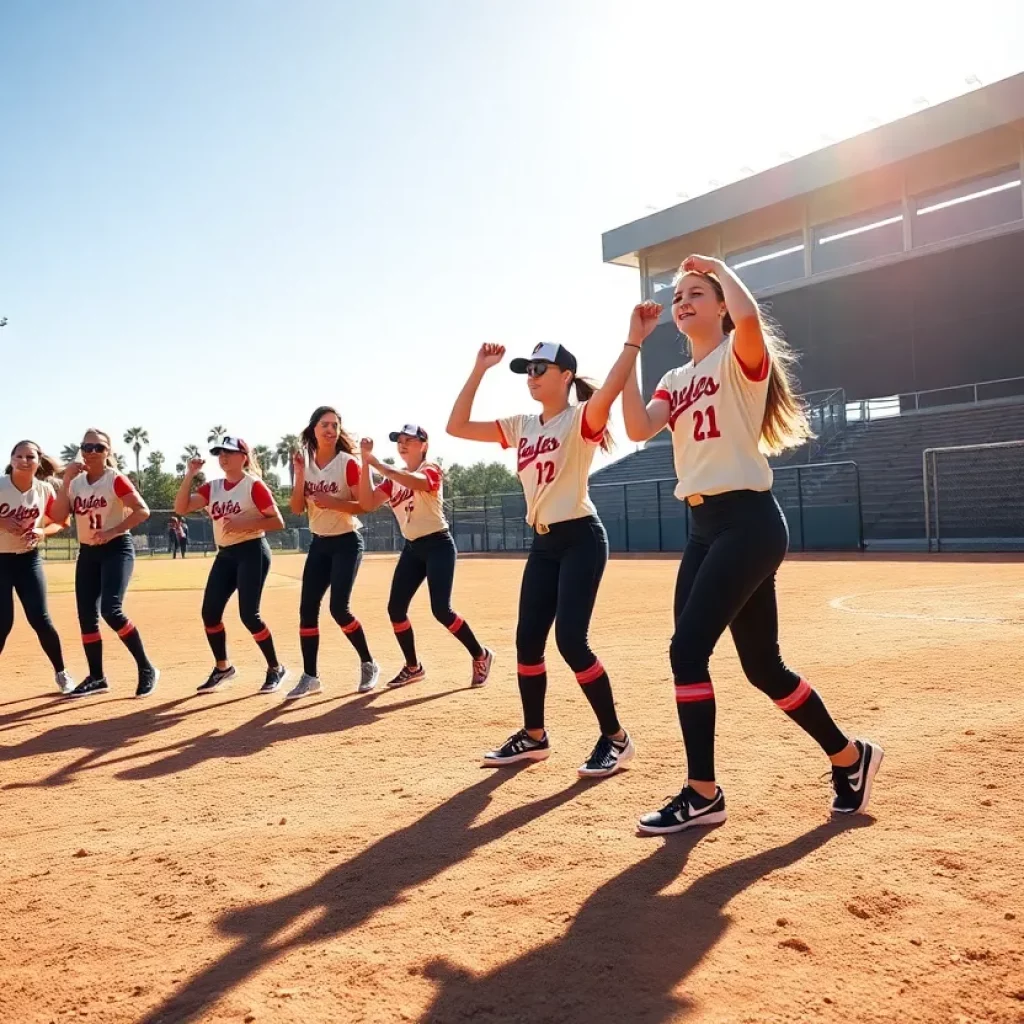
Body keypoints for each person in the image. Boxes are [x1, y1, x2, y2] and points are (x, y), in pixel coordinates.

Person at [619, 255, 882, 833]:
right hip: (703, 529)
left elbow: (752, 320)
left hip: (749, 522)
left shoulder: (739, 359)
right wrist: (633, 345)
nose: (683, 301)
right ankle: (849, 757)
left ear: (719, 307)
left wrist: (718, 266)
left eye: (697, 293)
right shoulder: (672, 380)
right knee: (764, 667)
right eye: (678, 295)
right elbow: (637, 428)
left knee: (686, 651)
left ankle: (702, 793)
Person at [447, 339, 639, 778]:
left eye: (540, 368)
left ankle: (616, 739)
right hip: (543, 543)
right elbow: (456, 426)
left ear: (566, 376)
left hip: (580, 538)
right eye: (527, 370)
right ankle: (534, 736)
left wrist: (633, 341)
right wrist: (479, 369)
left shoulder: (579, 418)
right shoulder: (522, 425)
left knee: (571, 641)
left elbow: (609, 389)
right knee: (527, 642)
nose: (531, 376)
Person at [357, 424, 493, 690]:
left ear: (424, 445)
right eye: (400, 440)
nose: (403, 444)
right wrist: (365, 465)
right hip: (412, 549)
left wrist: (376, 463)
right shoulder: (392, 480)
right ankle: (413, 666)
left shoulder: (430, 469)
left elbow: (414, 482)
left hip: (438, 545)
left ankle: (481, 654)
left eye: (410, 440)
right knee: (396, 609)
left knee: (442, 610)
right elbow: (366, 503)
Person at [50, 429, 160, 698]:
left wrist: (113, 531)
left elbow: (142, 510)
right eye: (86, 447)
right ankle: (97, 677)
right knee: (87, 617)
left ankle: (147, 668)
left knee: (111, 610)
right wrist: (66, 481)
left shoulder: (115, 479)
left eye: (97, 447)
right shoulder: (76, 483)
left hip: (116, 549)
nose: (90, 452)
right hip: (88, 553)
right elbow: (58, 515)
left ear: (108, 452)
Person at [174, 435, 288, 695]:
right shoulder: (212, 487)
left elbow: (277, 522)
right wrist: (190, 474)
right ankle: (223, 668)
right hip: (225, 555)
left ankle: (275, 668)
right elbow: (181, 508)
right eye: (219, 453)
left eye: (229, 452)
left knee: (249, 615)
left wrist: (244, 524)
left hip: (252, 551)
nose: (223, 457)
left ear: (243, 457)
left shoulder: (253, 485)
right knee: (210, 613)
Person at [287, 405, 380, 699]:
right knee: (306, 611)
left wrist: (333, 502)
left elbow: (364, 505)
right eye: (324, 424)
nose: (330, 430)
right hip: (319, 543)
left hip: (346, 542)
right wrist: (300, 474)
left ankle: (368, 663)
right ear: (313, 429)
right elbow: (296, 508)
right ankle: (310, 677)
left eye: (334, 425)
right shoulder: (304, 462)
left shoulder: (347, 462)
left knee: (339, 609)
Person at [0, 441, 75, 693]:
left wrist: (42, 531)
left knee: (40, 619)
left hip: (27, 559)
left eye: (29, 456)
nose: (23, 460)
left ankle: (62, 673)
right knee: (2, 623)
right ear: (11, 460)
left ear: (37, 461)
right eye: (18, 455)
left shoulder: (43, 490)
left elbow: (61, 521)